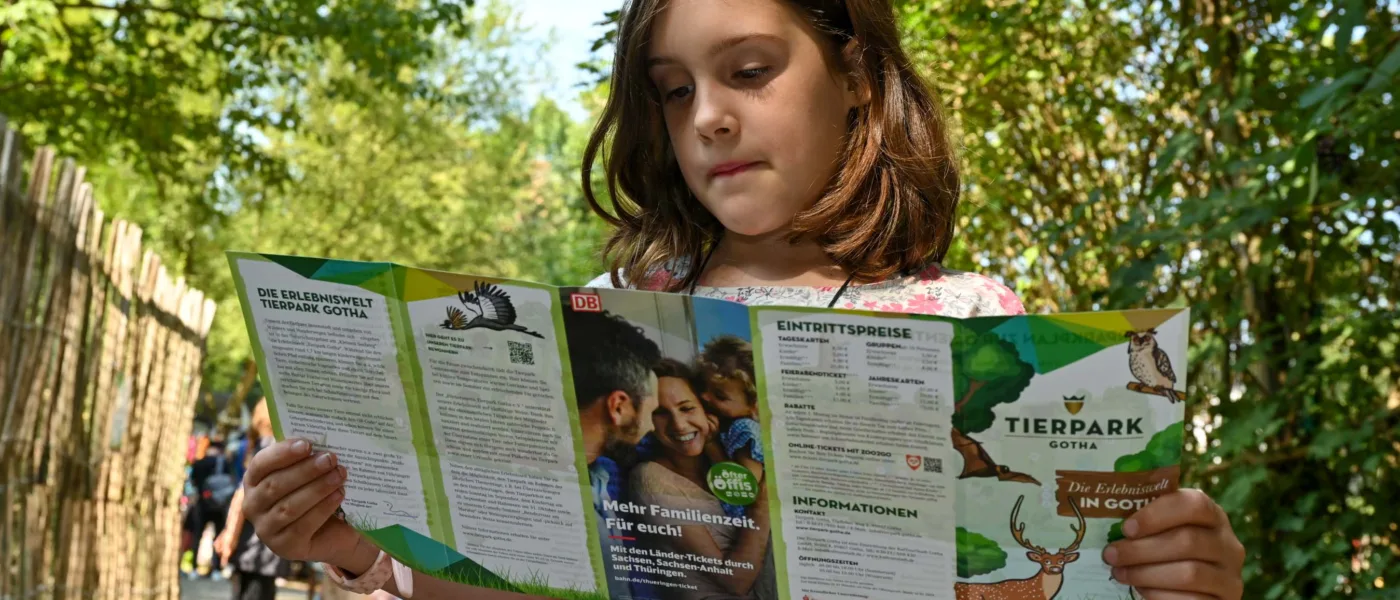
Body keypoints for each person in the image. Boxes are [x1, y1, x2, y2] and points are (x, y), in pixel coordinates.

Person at [236, 0, 1246, 597]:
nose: (709, 116)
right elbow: (526, 569)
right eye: (675, 89)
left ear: (854, 74)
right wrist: (361, 548)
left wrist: (1172, 572)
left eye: (749, 71)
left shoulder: (973, 319)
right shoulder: (607, 318)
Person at [629, 359, 775, 600]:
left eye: (687, 408)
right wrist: (762, 506)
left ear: (707, 411)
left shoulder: (726, 458)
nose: (679, 424)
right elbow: (736, 582)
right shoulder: (649, 479)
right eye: (660, 413)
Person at [218, 399, 294, 600]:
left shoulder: (261, 446)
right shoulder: (277, 446)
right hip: (264, 539)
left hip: (254, 538)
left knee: (249, 590)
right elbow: (243, 492)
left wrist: (230, 533)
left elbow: (242, 493)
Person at [695, 336, 765, 486]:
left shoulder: (744, 429)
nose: (704, 396)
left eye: (720, 396)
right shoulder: (729, 424)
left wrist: (712, 446)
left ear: (753, 406)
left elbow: (747, 483)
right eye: (703, 386)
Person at [188, 437, 237, 576]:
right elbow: (231, 481)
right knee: (218, 536)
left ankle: (193, 569)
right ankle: (216, 569)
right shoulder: (224, 463)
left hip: (202, 504)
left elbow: (192, 481)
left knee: (197, 536)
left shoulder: (199, 462)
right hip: (219, 506)